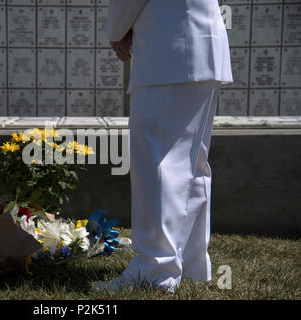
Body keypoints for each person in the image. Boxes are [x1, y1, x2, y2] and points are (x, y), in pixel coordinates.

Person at [92, 0, 233, 293]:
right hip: (201, 43)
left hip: (168, 49)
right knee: (193, 165)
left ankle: (155, 270)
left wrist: (117, 28)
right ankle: (191, 263)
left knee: (157, 164)